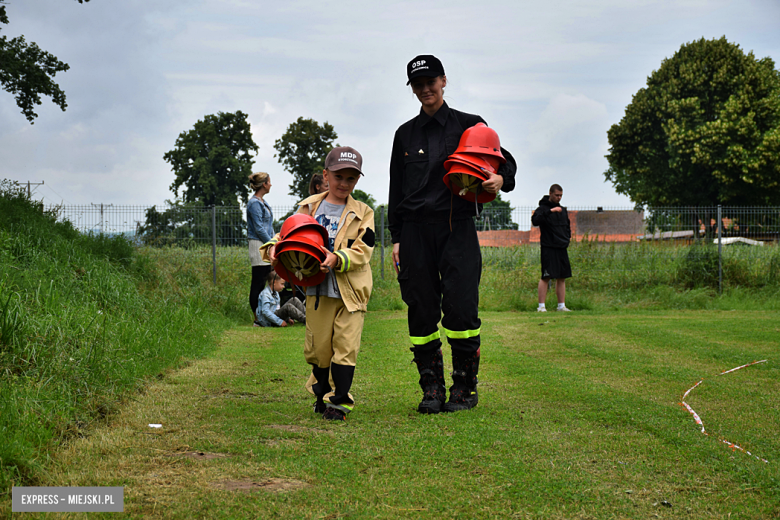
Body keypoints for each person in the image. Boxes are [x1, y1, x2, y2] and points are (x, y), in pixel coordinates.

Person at [388, 54, 517, 414]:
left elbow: (505, 161)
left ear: (444, 81)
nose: (425, 89)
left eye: (431, 81)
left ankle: (464, 388)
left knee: (461, 308)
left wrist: (501, 179)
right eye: (418, 84)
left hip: (457, 227)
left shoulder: (470, 125)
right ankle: (431, 388)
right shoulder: (404, 134)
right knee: (421, 310)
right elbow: (395, 190)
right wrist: (396, 238)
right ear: (412, 88)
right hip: (414, 232)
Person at [262, 146, 374, 421]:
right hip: (317, 290)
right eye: (338, 177)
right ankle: (321, 392)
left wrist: (338, 258)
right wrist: (274, 248)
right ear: (326, 175)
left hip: (351, 294)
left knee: (345, 348)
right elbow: (287, 234)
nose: (344, 183)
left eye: (351, 178)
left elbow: (364, 249)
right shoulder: (308, 207)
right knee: (319, 350)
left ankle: (339, 403)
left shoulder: (363, 212)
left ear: (357, 181)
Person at [532, 184, 572, 312]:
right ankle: (541, 306)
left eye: (561, 195)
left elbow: (567, 227)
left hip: (561, 247)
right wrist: (550, 211)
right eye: (556, 195)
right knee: (546, 276)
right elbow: (535, 221)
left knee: (562, 277)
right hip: (548, 247)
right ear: (550, 193)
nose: (559, 198)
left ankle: (561, 306)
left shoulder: (563, 210)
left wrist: (567, 239)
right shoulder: (542, 209)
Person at [247, 171, 275, 326]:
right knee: (258, 281)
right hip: (258, 244)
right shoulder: (254, 204)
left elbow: (268, 226)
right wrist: (271, 243)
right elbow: (258, 228)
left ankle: (266, 315)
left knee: (267, 278)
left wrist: (273, 241)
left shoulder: (262, 202)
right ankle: (257, 319)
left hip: (266, 243)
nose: (271, 184)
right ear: (264, 184)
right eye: (269, 181)